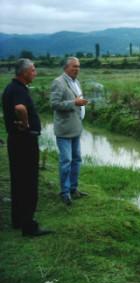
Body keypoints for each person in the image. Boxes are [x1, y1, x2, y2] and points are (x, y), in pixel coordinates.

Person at [2, 58, 53, 236]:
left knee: (18, 180)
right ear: (24, 73)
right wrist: (26, 124)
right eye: (33, 70)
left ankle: (18, 220)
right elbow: (20, 108)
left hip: (15, 141)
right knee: (29, 182)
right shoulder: (19, 90)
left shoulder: (10, 88)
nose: (35, 73)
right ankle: (29, 226)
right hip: (25, 141)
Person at [50, 57, 89, 205]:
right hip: (65, 129)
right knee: (66, 161)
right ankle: (64, 192)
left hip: (76, 128)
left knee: (77, 159)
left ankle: (74, 188)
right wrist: (74, 102)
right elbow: (54, 104)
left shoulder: (76, 82)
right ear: (66, 67)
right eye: (74, 67)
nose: (77, 69)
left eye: (78, 66)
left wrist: (80, 103)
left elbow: (77, 101)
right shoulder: (58, 82)